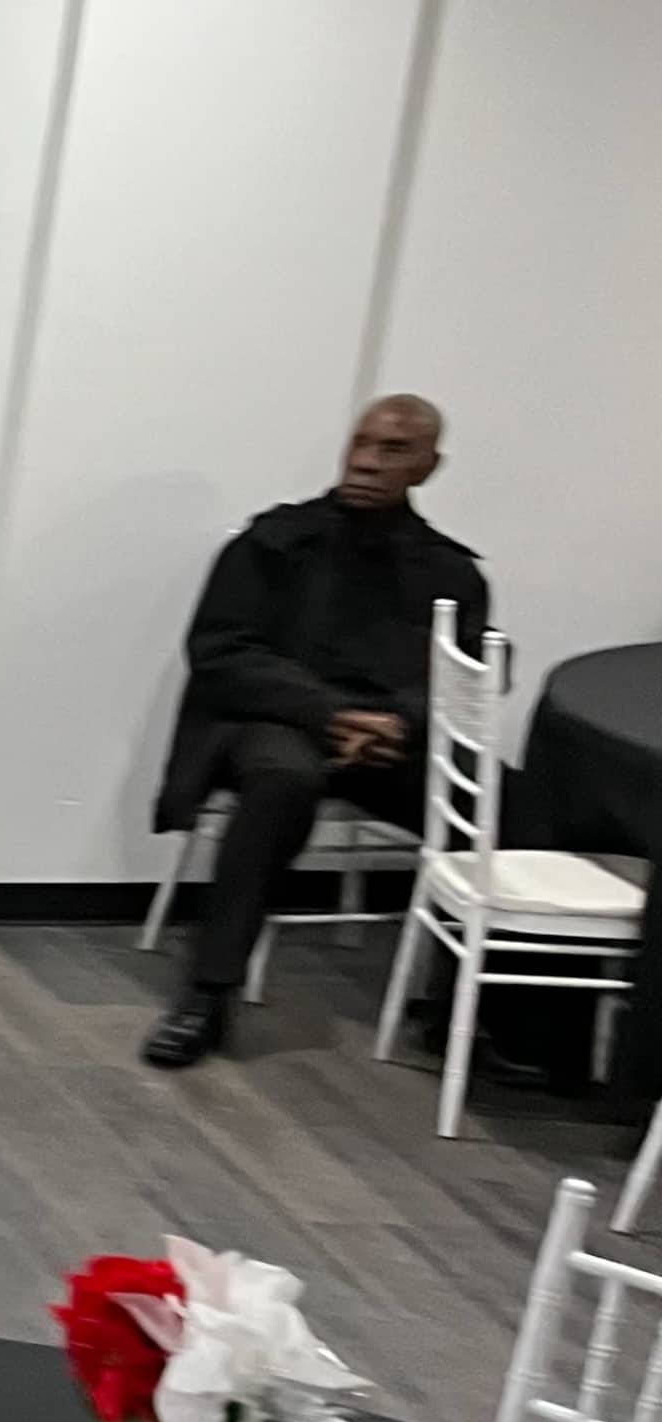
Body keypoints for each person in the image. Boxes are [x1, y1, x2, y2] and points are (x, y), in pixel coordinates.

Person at [142, 395, 487, 1071]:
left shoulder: (450, 572)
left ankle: (474, 1015)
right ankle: (207, 995)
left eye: (393, 451)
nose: (366, 462)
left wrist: (401, 721)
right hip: (277, 723)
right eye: (361, 443)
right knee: (281, 783)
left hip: (387, 738)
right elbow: (221, 654)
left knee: (511, 804)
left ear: (428, 467)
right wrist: (329, 714)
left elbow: (468, 671)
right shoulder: (273, 543)